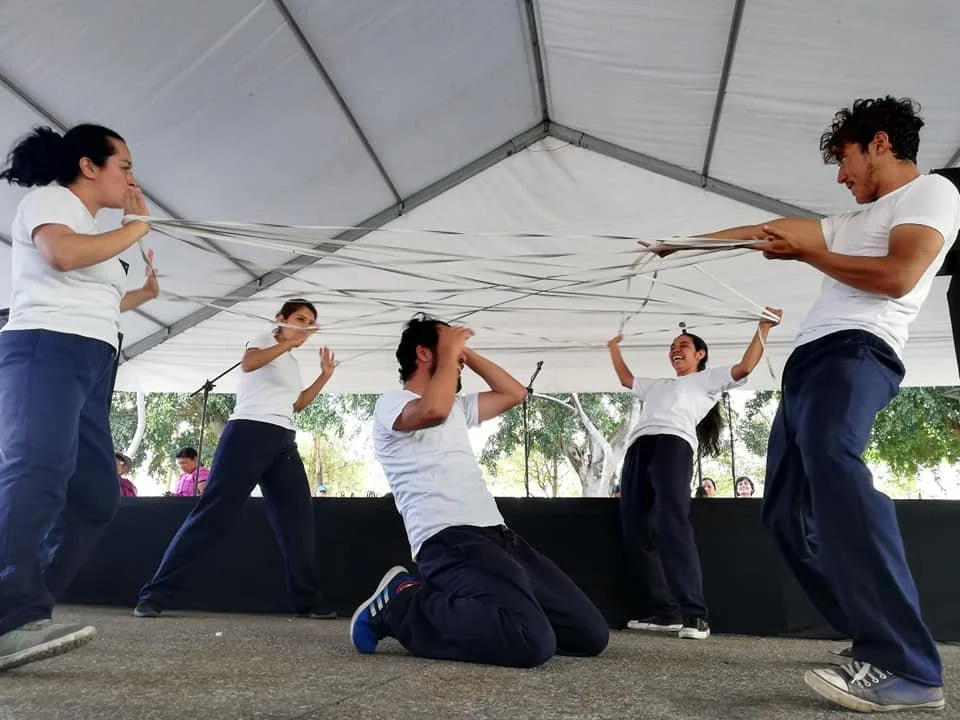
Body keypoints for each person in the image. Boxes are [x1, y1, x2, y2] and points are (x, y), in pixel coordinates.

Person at [689, 96, 956, 711]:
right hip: (810, 364)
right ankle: (869, 631)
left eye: (845, 159)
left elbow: (897, 277)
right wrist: (680, 244)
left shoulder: (932, 193)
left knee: (836, 463)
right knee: (784, 516)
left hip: (858, 352)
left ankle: (907, 665)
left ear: (880, 143)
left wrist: (807, 254)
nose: (841, 175)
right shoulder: (847, 222)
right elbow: (766, 232)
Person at [351, 315, 609, 667]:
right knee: (532, 641)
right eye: (449, 348)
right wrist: (450, 353)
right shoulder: (393, 403)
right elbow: (433, 409)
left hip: (499, 537)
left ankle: (473, 606)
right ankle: (402, 604)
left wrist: (464, 355)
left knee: (589, 634)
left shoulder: (458, 407)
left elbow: (515, 393)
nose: (459, 356)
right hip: (448, 539)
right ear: (424, 354)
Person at [0, 124, 158, 670]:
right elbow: (61, 256)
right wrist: (135, 228)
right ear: (89, 166)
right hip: (45, 347)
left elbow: (98, 297)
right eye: (125, 165)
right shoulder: (50, 200)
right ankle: (12, 615)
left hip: (92, 360)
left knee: (95, 496)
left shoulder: (92, 225)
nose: (132, 178)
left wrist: (145, 289)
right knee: (38, 473)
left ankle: (24, 609)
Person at [134, 300, 337, 620]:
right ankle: (154, 594)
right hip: (248, 434)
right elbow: (249, 363)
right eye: (300, 318)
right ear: (280, 319)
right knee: (212, 514)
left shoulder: (292, 362)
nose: (306, 326)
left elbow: (296, 404)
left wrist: (324, 377)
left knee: (297, 521)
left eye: (310, 322)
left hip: (283, 438)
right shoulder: (265, 338)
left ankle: (308, 601)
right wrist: (287, 343)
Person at [608, 316, 779, 640]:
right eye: (673, 347)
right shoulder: (658, 385)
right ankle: (665, 613)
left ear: (700, 354)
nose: (676, 349)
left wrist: (764, 327)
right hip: (639, 446)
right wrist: (613, 348)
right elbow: (626, 379)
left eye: (683, 345)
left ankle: (695, 615)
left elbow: (744, 367)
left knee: (671, 524)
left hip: (673, 444)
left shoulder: (706, 380)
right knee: (635, 527)